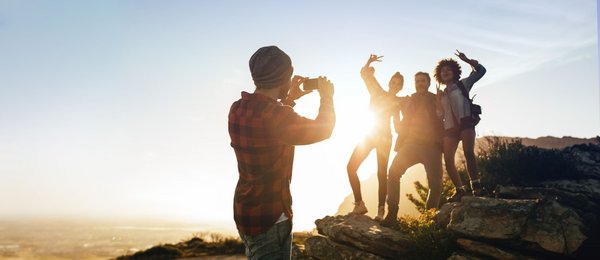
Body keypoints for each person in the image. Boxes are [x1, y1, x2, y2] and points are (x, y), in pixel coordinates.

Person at [228, 46, 335, 259]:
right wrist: (327, 96)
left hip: (246, 211)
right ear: (284, 78)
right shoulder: (278, 116)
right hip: (271, 216)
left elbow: (268, 124)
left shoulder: (237, 109)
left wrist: (287, 99)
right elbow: (324, 129)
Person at [382, 71, 444, 227]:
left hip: (432, 147)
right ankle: (392, 215)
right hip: (411, 144)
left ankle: (428, 220)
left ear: (429, 83)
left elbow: (445, 115)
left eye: (423, 81)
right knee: (394, 173)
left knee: (435, 185)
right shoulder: (409, 100)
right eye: (417, 81)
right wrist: (396, 119)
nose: (420, 83)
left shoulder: (436, 98)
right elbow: (393, 106)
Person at [347, 54, 403, 221]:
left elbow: (398, 126)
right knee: (351, 167)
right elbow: (365, 74)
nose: (395, 85)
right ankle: (359, 204)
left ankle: (380, 211)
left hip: (385, 137)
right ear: (389, 83)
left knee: (381, 173)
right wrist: (369, 62)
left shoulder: (399, 102)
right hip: (370, 134)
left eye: (398, 84)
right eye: (393, 82)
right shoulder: (377, 91)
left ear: (400, 88)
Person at [434, 50, 487, 202]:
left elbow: (482, 71)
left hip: (465, 122)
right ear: (439, 75)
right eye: (442, 71)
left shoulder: (464, 84)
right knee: (448, 159)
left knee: (468, 152)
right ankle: (460, 190)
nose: (445, 72)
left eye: (448, 69)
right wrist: (438, 100)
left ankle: (476, 186)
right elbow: (440, 116)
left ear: (454, 71)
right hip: (449, 128)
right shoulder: (442, 94)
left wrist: (468, 60)